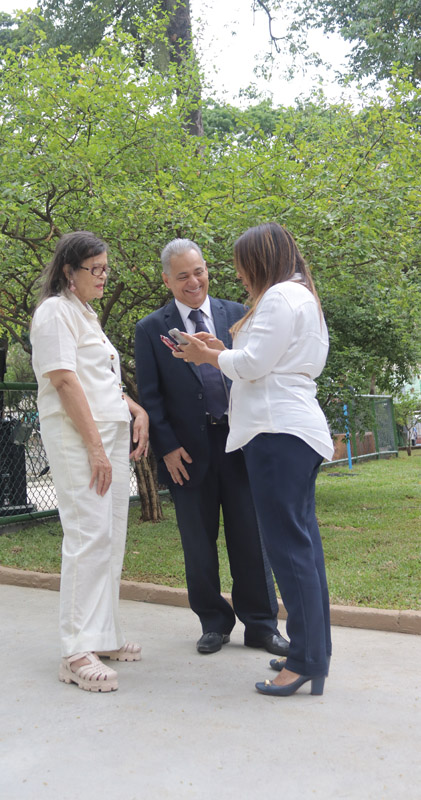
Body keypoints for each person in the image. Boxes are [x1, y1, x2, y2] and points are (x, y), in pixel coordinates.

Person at [173, 223, 333, 696]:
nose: (240, 276)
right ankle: (313, 651)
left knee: (289, 552)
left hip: (277, 433)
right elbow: (267, 360)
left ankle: (304, 661)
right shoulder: (301, 296)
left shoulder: (279, 297)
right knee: (304, 550)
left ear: (260, 261)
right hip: (293, 432)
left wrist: (208, 357)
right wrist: (224, 352)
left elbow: (253, 365)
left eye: (242, 266)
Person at [135, 238, 288, 657]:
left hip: (240, 444)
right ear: (167, 280)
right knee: (198, 544)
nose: (194, 281)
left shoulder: (238, 315)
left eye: (199, 271)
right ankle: (213, 623)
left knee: (251, 539)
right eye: (183, 275)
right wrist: (167, 447)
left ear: (207, 270)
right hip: (186, 454)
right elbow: (151, 395)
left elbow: (256, 374)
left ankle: (261, 625)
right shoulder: (150, 329)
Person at [31, 231, 149, 693]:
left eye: (105, 268)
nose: (103, 277)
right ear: (69, 271)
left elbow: (98, 379)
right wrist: (95, 447)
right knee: (87, 536)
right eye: (94, 269)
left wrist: (133, 408)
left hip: (109, 429)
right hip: (79, 437)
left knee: (110, 535)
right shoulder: (54, 312)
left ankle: (103, 634)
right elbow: (64, 381)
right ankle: (76, 651)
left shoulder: (85, 314)